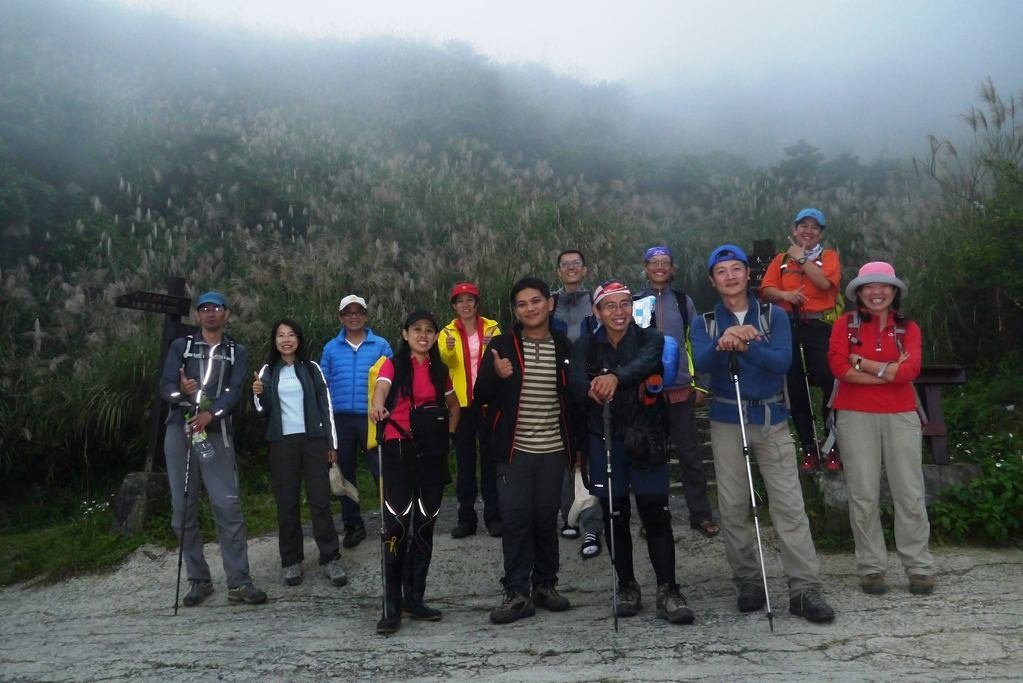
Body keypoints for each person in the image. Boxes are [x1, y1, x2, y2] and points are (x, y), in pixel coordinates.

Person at [692, 246, 835, 624]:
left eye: (736, 268)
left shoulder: (774, 315)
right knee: (734, 505)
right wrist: (728, 337)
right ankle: (748, 581)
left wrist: (747, 343)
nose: (730, 276)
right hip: (726, 417)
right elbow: (701, 365)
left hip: (771, 417)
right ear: (712, 280)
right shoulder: (704, 320)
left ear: (747, 275)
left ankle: (804, 588)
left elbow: (781, 363)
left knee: (789, 505)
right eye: (721, 271)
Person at [569, 279, 695, 625]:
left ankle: (668, 588)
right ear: (597, 312)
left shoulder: (650, 338)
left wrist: (613, 378)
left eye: (625, 304)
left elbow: (645, 364)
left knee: (656, 512)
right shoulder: (584, 346)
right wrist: (593, 389)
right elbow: (575, 383)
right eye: (610, 306)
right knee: (615, 513)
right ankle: (627, 585)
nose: (619, 312)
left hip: (646, 436)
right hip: (604, 437)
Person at [828, 261, 935, 596]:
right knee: (863, 494)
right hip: (854, 414)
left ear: (894, 292)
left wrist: (860, 362)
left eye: (883, 286)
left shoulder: (909, 328)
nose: (877, 292)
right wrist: (886, 369)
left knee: (910, 493)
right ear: (859, 293)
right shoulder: (844, 324)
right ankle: (871, 568)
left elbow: (909, 372)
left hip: (901, 414)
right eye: (869, 287)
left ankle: (918, 566)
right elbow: (838, 367)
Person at [474, 277, 575, 624]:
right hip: (514, 451)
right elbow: (479, 395)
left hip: (553, 448)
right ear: (515, 310)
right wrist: (496, 374)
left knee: (545, 519)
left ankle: (545, 585)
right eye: (521, 304)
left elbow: (571, 395)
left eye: (536, 301)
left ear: (550, 303)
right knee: (516, 519)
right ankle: (516, 591)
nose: (529, 308)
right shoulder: (502, 345)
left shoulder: (563, 344)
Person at [159, 291, 267, 606]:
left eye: (216, 308)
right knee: (182, 510)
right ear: (197, 315)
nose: (210, 314)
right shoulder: (182, 347)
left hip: (216, 432)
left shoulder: (237, 351)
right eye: (204, 309)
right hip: (181, 430)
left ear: (226, 314)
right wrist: (180, 392)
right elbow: (165, 384)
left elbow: (234, 392)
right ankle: (198, 580)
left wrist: (211, 413)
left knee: (228, 505)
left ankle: (239, 582)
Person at [369, 309, 461, 634]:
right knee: (395, 528)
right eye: (416, 329)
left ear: (435, 336)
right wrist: (377, 405)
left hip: (432, 454)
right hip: (398, 450)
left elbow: (453, 406)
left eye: (429, 330)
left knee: (424, 525)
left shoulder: (441, 370)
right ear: (405, 333)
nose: (423, 335)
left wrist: (447, 434)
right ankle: (391, 604)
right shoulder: (393, 364)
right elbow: (381, 389)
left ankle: (415, 598)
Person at [252, 318, 348, 588]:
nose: (286, 340)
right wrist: (258, 394)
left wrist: (332, 445)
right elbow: (261, 410)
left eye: (291, 334)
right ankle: (291, 561)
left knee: (320, 501)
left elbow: (326, 406)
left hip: (314, 441)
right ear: (275, 341)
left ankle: (331, 558)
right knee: (287, 503)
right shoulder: (268, 370)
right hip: (282, 444)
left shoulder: (311, 368)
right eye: (281, 335)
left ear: (299, 339)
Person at [635, 245, 719, 538]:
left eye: (665, 262)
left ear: (672, 268)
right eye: (654, 262)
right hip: (646, 391)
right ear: (645, 268)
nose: (659, 267)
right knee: (650, 455)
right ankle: (652, 516)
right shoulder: (635, 302)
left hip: (681, 387)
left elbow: (697, 343)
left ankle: (701, 514)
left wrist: (701, 383)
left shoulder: (683, 302)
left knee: (690, 455)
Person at [760, 208, 843, 473]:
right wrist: (787, 295)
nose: (808, 231)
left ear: (821, 233)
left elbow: (824, 284)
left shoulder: (829, 257)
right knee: (795, 386)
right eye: (803, 226)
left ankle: (833, 446)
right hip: (787, 324)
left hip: (819, 324)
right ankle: (808, 447)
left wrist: (803, 257)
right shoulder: (781, 259)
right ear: (795, 229)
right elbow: (767, 290)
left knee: (829, 381)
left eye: (814, 227)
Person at [320, 294, 393, 549]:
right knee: (344, 473)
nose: (353, 316)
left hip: (372, 417)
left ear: (365, 315)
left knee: (381, 470)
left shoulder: (381, 345)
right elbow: (323, 384)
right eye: (348, 312)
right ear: (341, 317)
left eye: (358, 311)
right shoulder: (330, 348)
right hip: (341, 419)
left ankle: (391, 522)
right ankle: (353, 525)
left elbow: (390, 378)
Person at [551, 249, 603, 558]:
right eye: (565, 265)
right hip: (558, 386)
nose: (571, 268)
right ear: (559, 271)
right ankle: (568, 512)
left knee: (591, 451)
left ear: (584, 270)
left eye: (576, 264)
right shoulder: (550, 303)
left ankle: (592, 522)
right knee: (563, 452)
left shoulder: (595, 300)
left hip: (590, 383)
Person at [440, 282, 502, 538]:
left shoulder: (492, 326)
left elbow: (500, 356)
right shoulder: (446, 331)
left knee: (490, 461)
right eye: (460, 301)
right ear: (454, 306)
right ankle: (466, 519)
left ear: (477, 304)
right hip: (461, 405)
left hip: (487, 402)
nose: (465, 305)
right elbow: (446, 361)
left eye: (470, 300)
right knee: (465, 463)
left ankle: (494, 517)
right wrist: (451, 348)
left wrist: (492, 343)